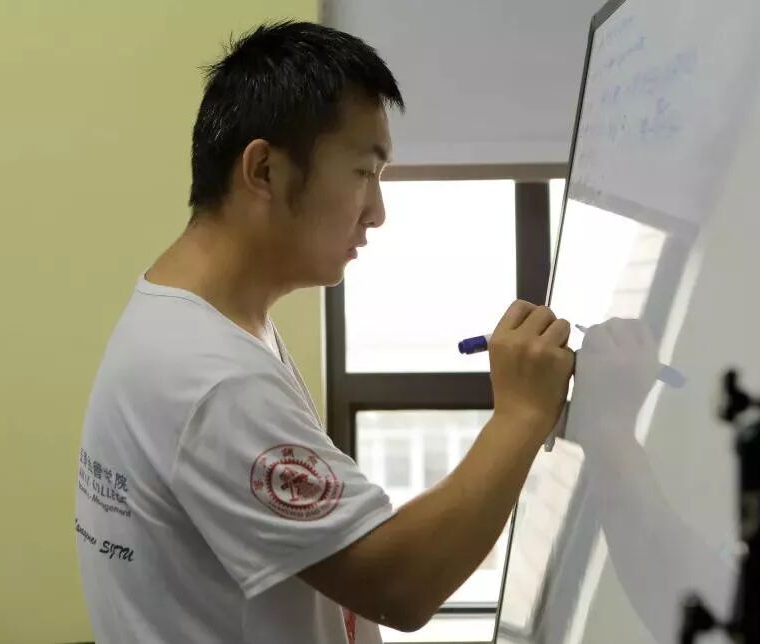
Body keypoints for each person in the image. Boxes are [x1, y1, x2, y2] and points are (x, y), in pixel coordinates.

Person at [74, 20, 574, 644]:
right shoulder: (211, 378)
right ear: (264, 170)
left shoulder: (196, 320)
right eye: (364, 172)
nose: (377, 213)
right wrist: (521, 415)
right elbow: (401, 584)